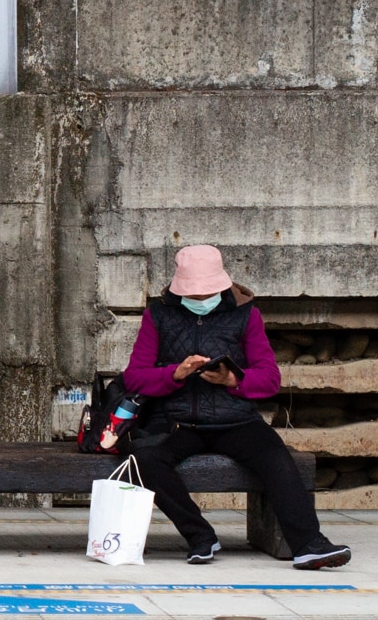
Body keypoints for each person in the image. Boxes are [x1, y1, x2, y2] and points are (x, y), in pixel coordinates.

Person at [120, 244, 350, 571]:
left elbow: (270, 379)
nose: (201, 300)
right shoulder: (158, 316)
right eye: (194, 295)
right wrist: (176, 373)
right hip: (177, 423)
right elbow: (135, 378)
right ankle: (200, 536)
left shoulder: (246, 316)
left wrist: (232, 380)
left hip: (236, 421)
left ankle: (309, 544)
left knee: (276, 455)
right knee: (145, 460)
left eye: (207, 293)